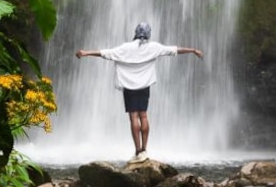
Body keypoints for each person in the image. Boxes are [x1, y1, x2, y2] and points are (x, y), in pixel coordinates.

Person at [75, 22, 203, 164]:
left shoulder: (125, 48)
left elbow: (106, 53)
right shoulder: (154, 47)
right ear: (148, 34)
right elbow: (175, 50)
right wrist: (193, 50)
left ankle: (137, 151)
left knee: (133, 117)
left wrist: (86, 53)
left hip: (129, 87)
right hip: (144, 86)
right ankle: (144, 149)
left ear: (136, 33)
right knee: (143, 115)